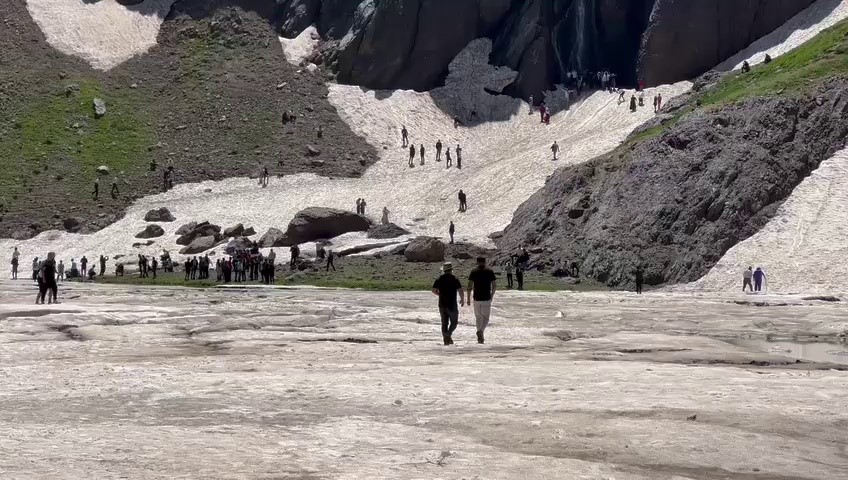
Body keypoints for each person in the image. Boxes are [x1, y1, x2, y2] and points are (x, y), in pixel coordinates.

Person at [432, 262, 465, 345]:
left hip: (442, 303)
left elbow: (433, 290)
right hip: (452, 304)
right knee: (454, 322)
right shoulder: (454, 278)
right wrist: (462, 299)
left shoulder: (439, 278)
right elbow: (460, 290)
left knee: (444, 322)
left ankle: (446, 338)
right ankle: (448, 335)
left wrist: (439, 294)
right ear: (451, 270)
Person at [467, 257, 497, 344]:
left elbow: (469, 286)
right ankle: (481, 331)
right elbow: (494, 285)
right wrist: (492, 295)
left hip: (476, 298)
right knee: (486, 318)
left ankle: (480, 335)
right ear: (485, 262)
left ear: (477, 262)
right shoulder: (489, 271)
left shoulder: (474, 272)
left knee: (478, 317)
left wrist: (468, 298)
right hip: (486, 297)